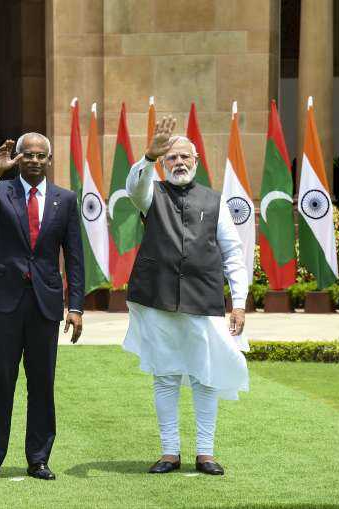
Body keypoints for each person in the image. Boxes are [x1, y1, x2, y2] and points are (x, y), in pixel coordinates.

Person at [123, 116, 249, 476]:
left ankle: (205, 453)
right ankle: (170, 452)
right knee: (165, 376)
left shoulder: (214, 200)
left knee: (204, 375)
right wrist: (149, 157)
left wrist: (239, 302)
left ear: (196, 160)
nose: (178, 162)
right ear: (164, 164)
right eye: (172, 158)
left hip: (203, 298)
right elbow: (133, 189)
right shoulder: (152, 193)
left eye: (184, 157)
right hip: (159, 297)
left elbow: (232, 252)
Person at [0, 133, 84, 482]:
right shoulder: (3, 190)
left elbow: (75, 256)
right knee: (1, 379)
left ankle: (38, 459)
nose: (34, 160)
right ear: (17, 158)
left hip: (45, 302)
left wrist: (76, 306)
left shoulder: (65, 199)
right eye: (27, 155)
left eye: (40, 155)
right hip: (5, 299)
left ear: (49, 160)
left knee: (42, 382)